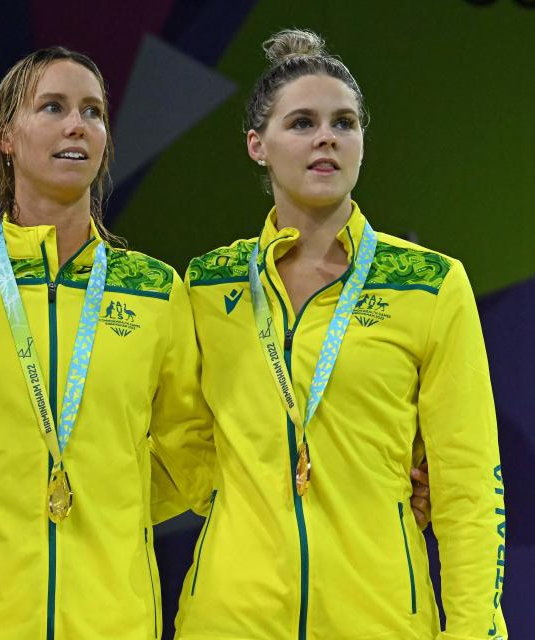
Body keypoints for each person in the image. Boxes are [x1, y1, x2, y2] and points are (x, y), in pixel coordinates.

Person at [169, 29, 506, 639]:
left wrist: (476, 631)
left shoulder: (430, 285)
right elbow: (178, 447)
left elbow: (469, 489)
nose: (327, 136)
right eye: (301, 122)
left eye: (344, 123)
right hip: (228, 621)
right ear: (257, 145)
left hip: (379, 621)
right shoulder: (207, 285)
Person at [0, 47, 214, 639]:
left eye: (93, 111)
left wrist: (111, 502)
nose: (77, 125)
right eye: (52, 107)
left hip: (113, 620)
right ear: (6, 137)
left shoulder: (156, 291)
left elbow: (195, 454)